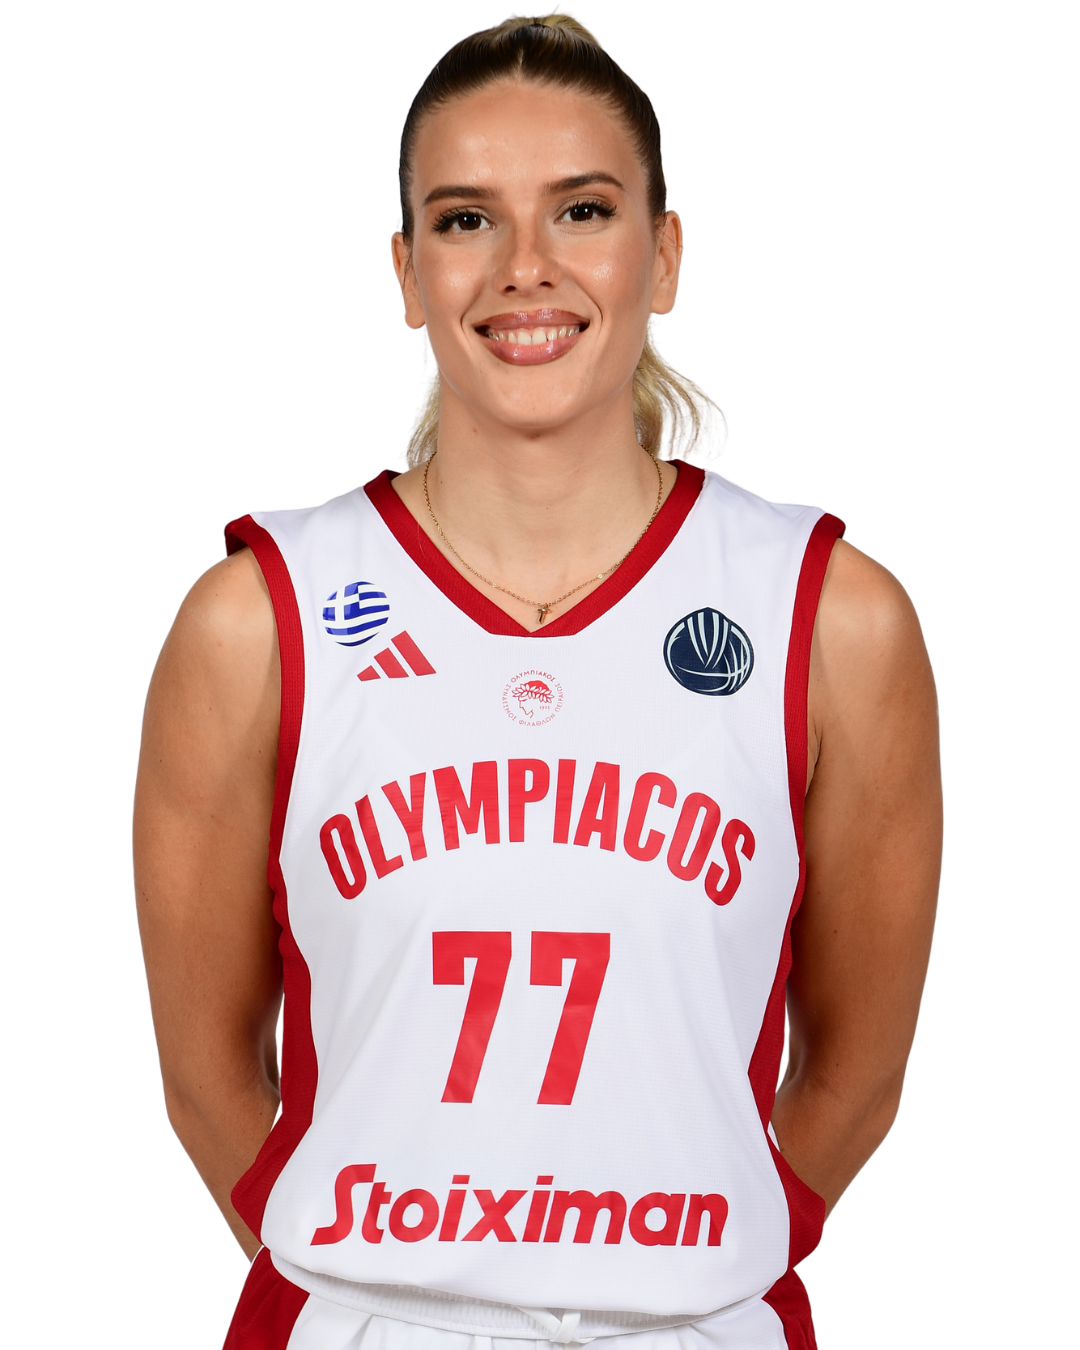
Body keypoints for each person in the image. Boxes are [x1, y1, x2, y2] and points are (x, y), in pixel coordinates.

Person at [133, 10, 942, 1350]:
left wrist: (672, 1275)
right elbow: (204, 1076)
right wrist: (394, 1282)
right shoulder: (258, 621)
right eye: (466, 220)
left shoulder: (832, 617)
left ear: (663, 253)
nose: (525, 268)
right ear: (406, 271)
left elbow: (856, 1077)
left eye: (582, 210)